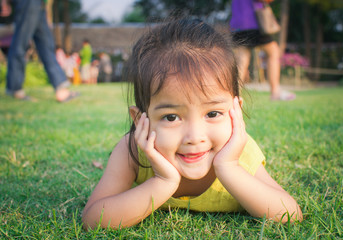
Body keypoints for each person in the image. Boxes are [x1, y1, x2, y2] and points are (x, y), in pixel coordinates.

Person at [82, 19, 302, 229]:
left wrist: (229, 168)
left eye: (213, 113)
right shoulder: (133, 151)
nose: (195, 136)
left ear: (236, 112)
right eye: (171, 117)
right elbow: (93, 219)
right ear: (141, 121)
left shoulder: (240, 151)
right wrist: (163, 182)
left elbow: (289, 214)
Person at [5, 0, 78, 102]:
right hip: (27, 3)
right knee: (20, 44)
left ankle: (60, 87)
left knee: (47, 45)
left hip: (39, 4)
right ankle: (15, 88)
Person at [230, 0, 295, 101]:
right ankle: (275, 92)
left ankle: (235, 95)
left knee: (241, 60)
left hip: (238, 22)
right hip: (254, 20)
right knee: (273, 52)